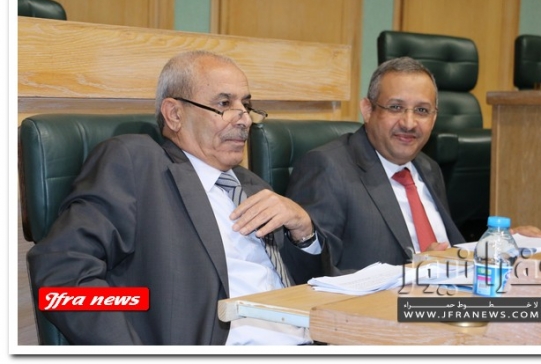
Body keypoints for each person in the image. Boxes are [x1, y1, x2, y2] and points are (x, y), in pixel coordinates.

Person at [27, 50, 327, 345]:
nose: (245, 119)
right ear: (174, 114)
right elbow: (62, 273)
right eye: (224, 104)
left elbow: (305, 285)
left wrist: (304, 233)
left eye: (246, 105)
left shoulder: (251, 184)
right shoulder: (138, 164)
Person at [286, 56, 541, 276]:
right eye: (396, 107)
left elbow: (447, 248)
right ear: (367, 110)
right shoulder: (328, 167)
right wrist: (415, 272)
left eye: (422, 111)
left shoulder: (427, 167)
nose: (409, 123)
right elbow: (312, 274)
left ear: (434, 118)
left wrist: (497, 243)